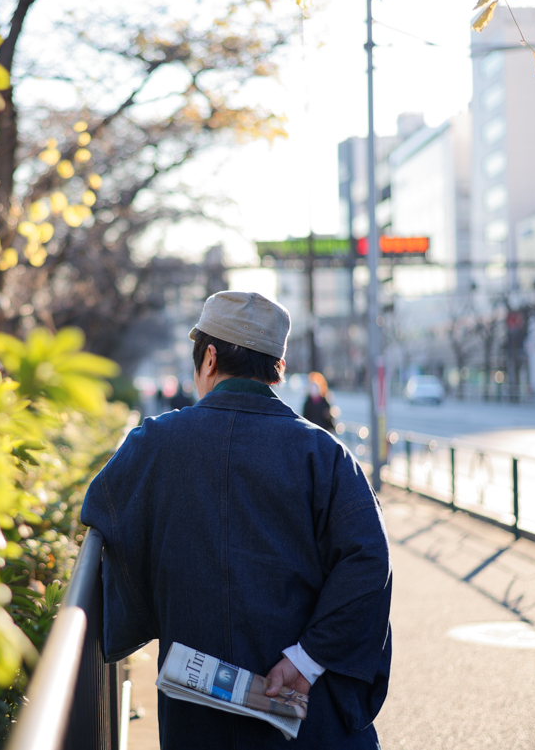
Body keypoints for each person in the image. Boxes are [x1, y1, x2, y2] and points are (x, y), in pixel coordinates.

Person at [81, 291, 392, 748]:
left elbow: (101, 518)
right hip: (304, 715)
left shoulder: (153, 444)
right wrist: (305, 660)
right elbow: (369, 559)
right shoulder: (323, 453)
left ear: (208, 358)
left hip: (196, 715)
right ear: (276, 369)